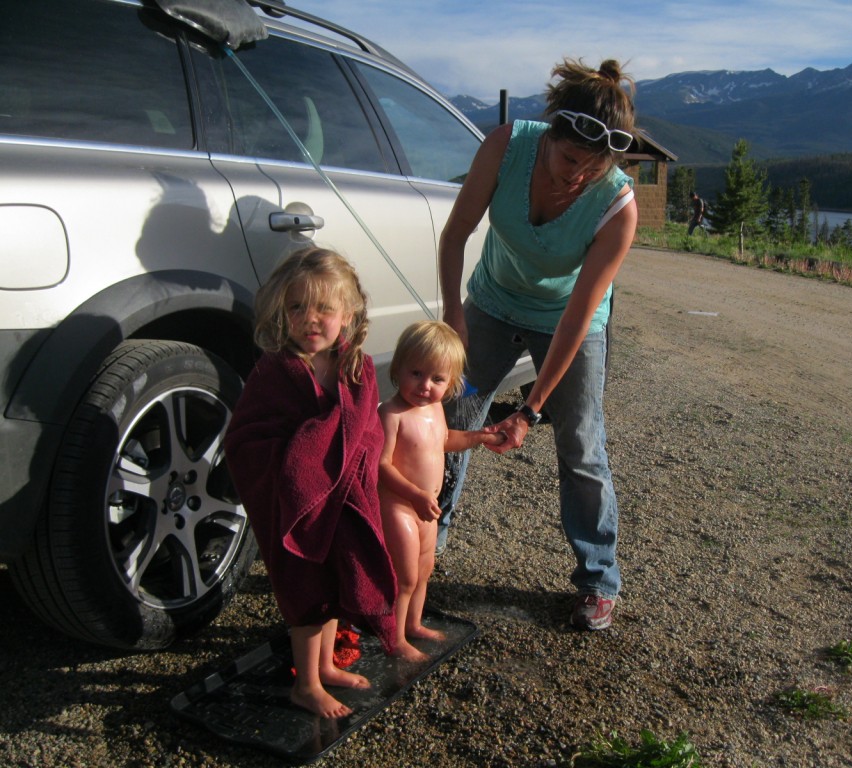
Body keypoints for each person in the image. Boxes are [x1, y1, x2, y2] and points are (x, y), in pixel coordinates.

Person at [438, 57, 638, 631]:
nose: (578, 175)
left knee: (580, 441)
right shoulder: (506, 145)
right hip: (494, 300)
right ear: (549, 135)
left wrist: (531, 407)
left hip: (566, 316)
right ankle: (430, 535)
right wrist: (455, 314)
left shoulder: (617, 207)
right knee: (454, 411)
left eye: (593, 167)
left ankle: (599, 579)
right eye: (570, 159)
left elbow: (578, 316)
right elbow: (456, 236)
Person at [225, 246, 397, 719]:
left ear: (348, 313)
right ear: (282, 311)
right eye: (298, 307)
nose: (311, 319)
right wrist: (303, 453)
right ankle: (307, 684)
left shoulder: (355, 367)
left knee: (332, 586)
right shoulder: (276, 371)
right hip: (297, 507)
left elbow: (369, 429)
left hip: (343, 499)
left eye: (325, 308)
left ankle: (326, 666)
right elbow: (244, 438)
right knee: (304, 593)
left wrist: (351, 458)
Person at [377, 320, 505, 661]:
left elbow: (446, 440)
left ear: (450, 383)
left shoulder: (434, 409)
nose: (425, 386)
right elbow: (381, 465)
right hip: (400, 506)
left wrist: (479, 436)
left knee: (423, 569)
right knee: (403, 576)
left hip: (427, 507)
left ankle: (414, 624)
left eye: (437, 379)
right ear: (397, 369)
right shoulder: (392, 414)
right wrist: (416, 495)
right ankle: (394, 638)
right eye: (416, 373)